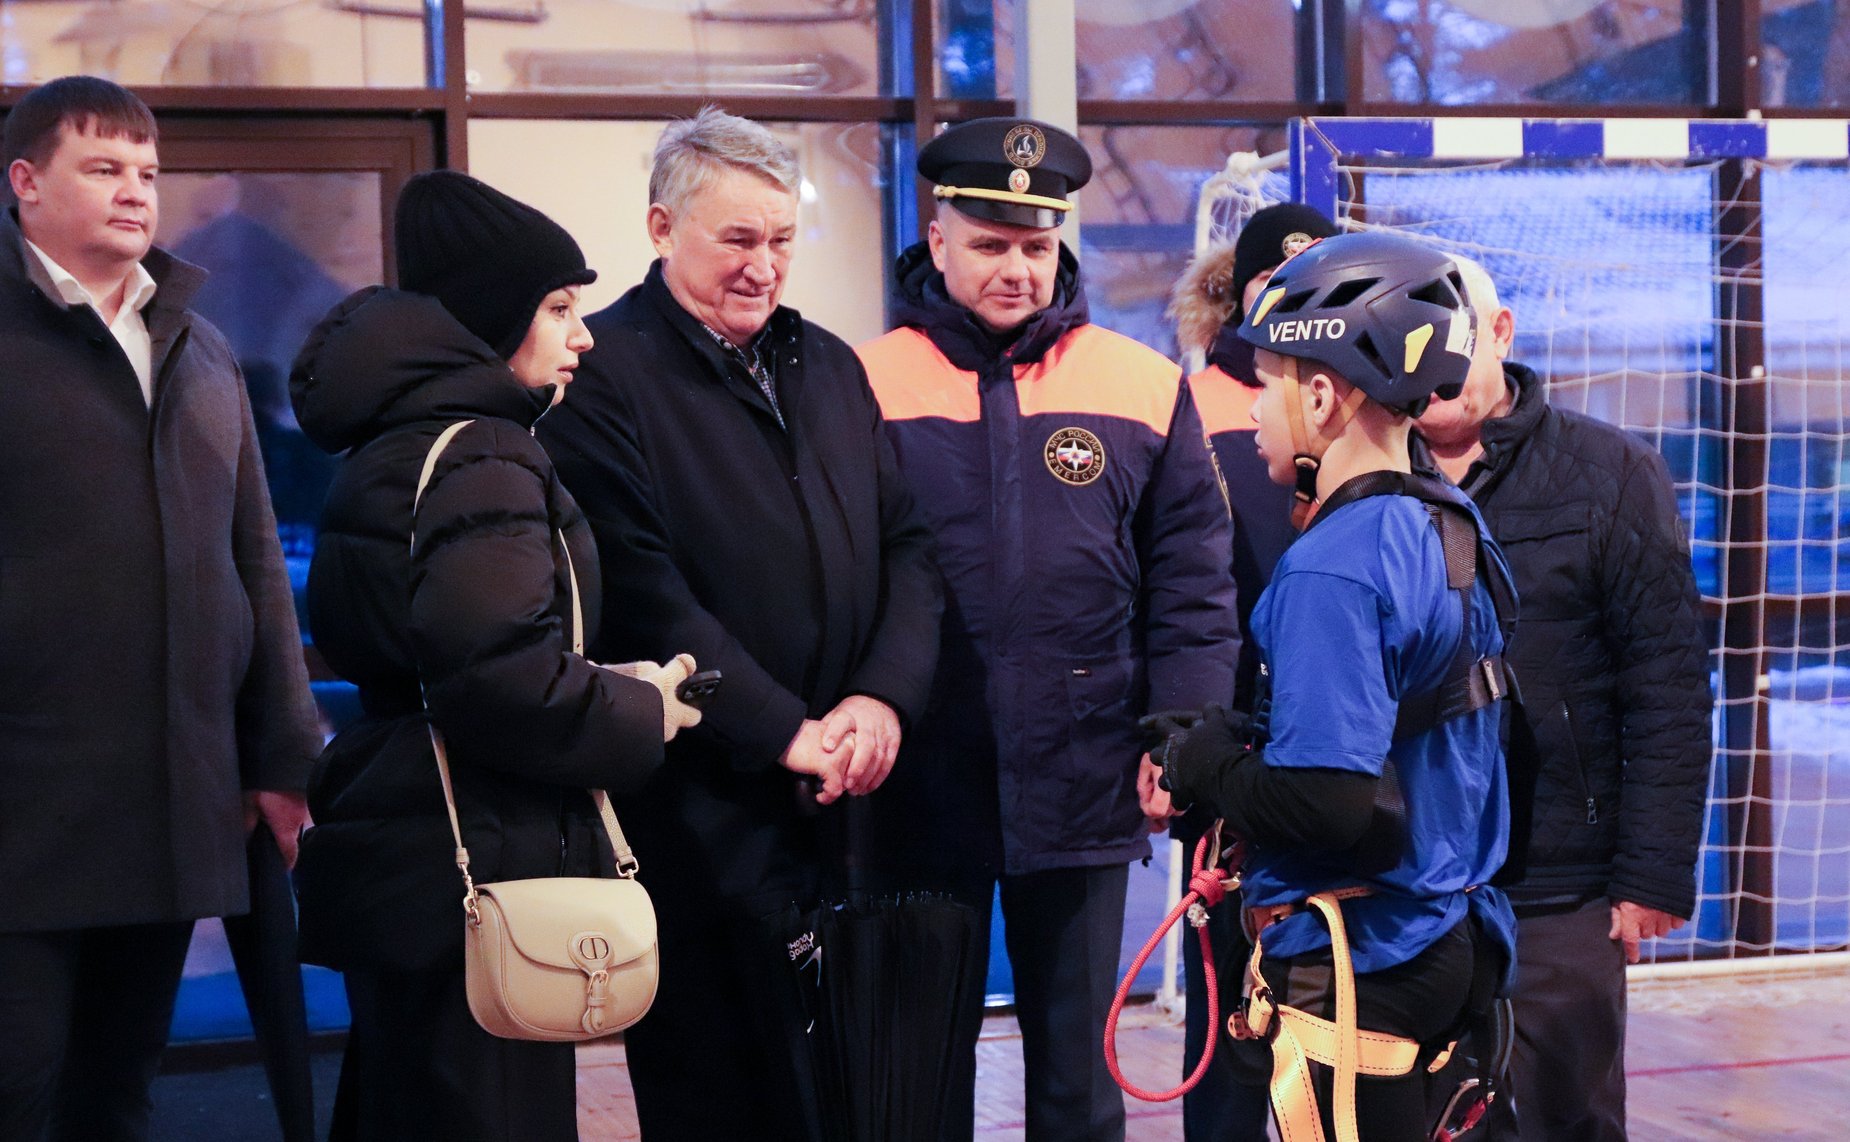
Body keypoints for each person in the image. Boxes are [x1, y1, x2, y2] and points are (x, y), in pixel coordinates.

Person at [537, 108, 943, 1141]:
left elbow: (908, 549)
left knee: (851, 1089)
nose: (764, 267)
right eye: (737, 240)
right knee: (719, 1095)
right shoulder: (606, 376)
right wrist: (782, 730)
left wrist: (876, 699)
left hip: (845, 797)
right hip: (701, 809)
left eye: (780, 239)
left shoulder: (830, 365)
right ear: (661, 225)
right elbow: (640, 588)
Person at [289, 170, 700, 1140]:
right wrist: (644, 704)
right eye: (558, 308)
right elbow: (502, 680)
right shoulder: (481, 451)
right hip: (473, 853)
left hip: (411, 847)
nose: (582, 335)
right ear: (490, 318)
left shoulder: (402, 441)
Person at [856, 117, 1240, 1142]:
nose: (1016, 269)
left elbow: (1191, 580)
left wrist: (1179, 735)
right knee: (907, 1070)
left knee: (1076, 1075)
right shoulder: (858, 382)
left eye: (1035, 245)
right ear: (936, 241)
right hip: (911, 780)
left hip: (1085, 771)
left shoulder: (1138, 381)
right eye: (989, 244)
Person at [0, 75, 323, 1142]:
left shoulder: (198, 344)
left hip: (174, 796)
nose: (136, 190)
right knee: (16, 1088)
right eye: (103, 167)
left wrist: (280, 756)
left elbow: (255, 571)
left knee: (122, 1090)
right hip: (22, 800)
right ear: (25, 183)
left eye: (147, 171)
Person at [1158, 231, 1518, 1141]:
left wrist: (1206, 766)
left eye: (1266, 382)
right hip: (1454, 936)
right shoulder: (1451, 524)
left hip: (1366, 955)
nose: (1251, 414)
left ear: (1320, 394)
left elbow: (1328, 805)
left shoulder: (1332, 567)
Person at [1416, 258, 1710, 1142]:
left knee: (1564, 1120)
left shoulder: (1611, 471)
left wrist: (1651, 874)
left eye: (1452, 343)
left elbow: (1667, 683)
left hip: (1565, 886)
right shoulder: (1360, 479)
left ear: (1501, 333)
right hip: (1408, 880)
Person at [1164, 200, 1341, 1142]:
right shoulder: (1186, 405)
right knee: (1233, 1018)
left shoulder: (1367, 413)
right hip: (1236, 771)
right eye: (1285, 285)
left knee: (1347, 1012)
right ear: (1247, 294)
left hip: (1342, 763)